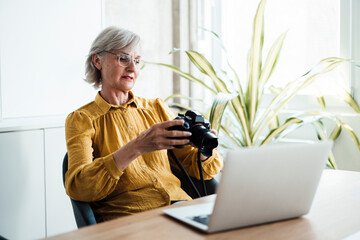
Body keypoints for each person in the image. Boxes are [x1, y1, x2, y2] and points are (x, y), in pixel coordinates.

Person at [65, 26, 223, 222]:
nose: (132, 68)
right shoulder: (82, 119)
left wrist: (204, 150)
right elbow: (79, 186)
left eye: (137, 61)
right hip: (132, 219)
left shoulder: (156, 108)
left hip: (181, 209)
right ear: (98, 61)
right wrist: (137, 146)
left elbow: (197, 168)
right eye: (123, 58)